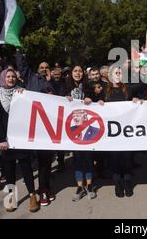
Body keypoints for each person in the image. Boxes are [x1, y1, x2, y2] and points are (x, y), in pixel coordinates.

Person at [0, 69, 39, 212]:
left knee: (26, 168)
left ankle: (32, 195)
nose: (11, 79)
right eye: (8, 76)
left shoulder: (22, 93)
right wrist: (1, 139)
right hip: (5, 140)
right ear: (3, 78)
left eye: (13, 76)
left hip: (20, 138)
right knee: (9, 170)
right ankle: (11, 196)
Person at [15, 49, 55, 205]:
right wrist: (19, 52)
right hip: (34, 127)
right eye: (42, 67)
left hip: (49, 128)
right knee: (35, 161)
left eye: (47, 67)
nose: (44, 69)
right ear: (37, 69)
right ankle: (38, 190)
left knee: (46, 162)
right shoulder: (31, 78)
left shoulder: (54, 82)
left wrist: (52, 85)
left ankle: (45, 189)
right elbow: (22, 66)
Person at [64, 65, 101, 201]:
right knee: (78, 159)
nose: (78, 73)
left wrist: (92, 100)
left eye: (80, 71)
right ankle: (80, 186)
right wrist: (64, 98)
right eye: (75, 71)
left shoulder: (88, 87)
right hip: (72, 128)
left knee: (88, 157)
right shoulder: (65, 86)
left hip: (87, 128)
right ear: (71, 73)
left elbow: (98, 102)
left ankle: (90, 185)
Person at [105, 66, 141, 197]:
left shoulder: (128, 90)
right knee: (114, 158)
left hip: (126, 131)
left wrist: (136, 101)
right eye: (116, 73)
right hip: (111, 132)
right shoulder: (106, 91)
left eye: (120, 73)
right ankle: (117, 183)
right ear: (110, 75)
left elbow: (134, 103)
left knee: (126, 157)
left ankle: (127, 181)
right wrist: (99, 103)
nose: (118, 75)